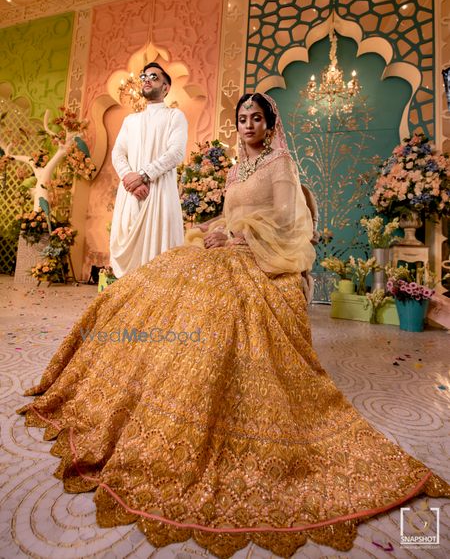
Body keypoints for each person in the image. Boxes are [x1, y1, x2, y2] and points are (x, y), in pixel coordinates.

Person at [19, 92, 448, 558]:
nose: (247, 125)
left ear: (269, 123)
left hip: (262, 256)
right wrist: (217, 230)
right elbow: (230, 212)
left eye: (256, 118)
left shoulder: (280, 165)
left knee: (218, 306)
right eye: (242, 118)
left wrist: (240, 236)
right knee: (151, 283)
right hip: (226, 245)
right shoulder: (235, 168)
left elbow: (289, 222)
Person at [109, 62, 188, 277]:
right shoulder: (130, 120)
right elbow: (117, 153)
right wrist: (129, 179)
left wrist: (143, 175)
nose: (146, 80)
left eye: (154, 77)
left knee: (159, 260)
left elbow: (176, 153)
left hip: (160, 194)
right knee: (129, 267)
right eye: (144, 76)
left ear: (165, 88)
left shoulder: (175, 116)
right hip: (131, 195)